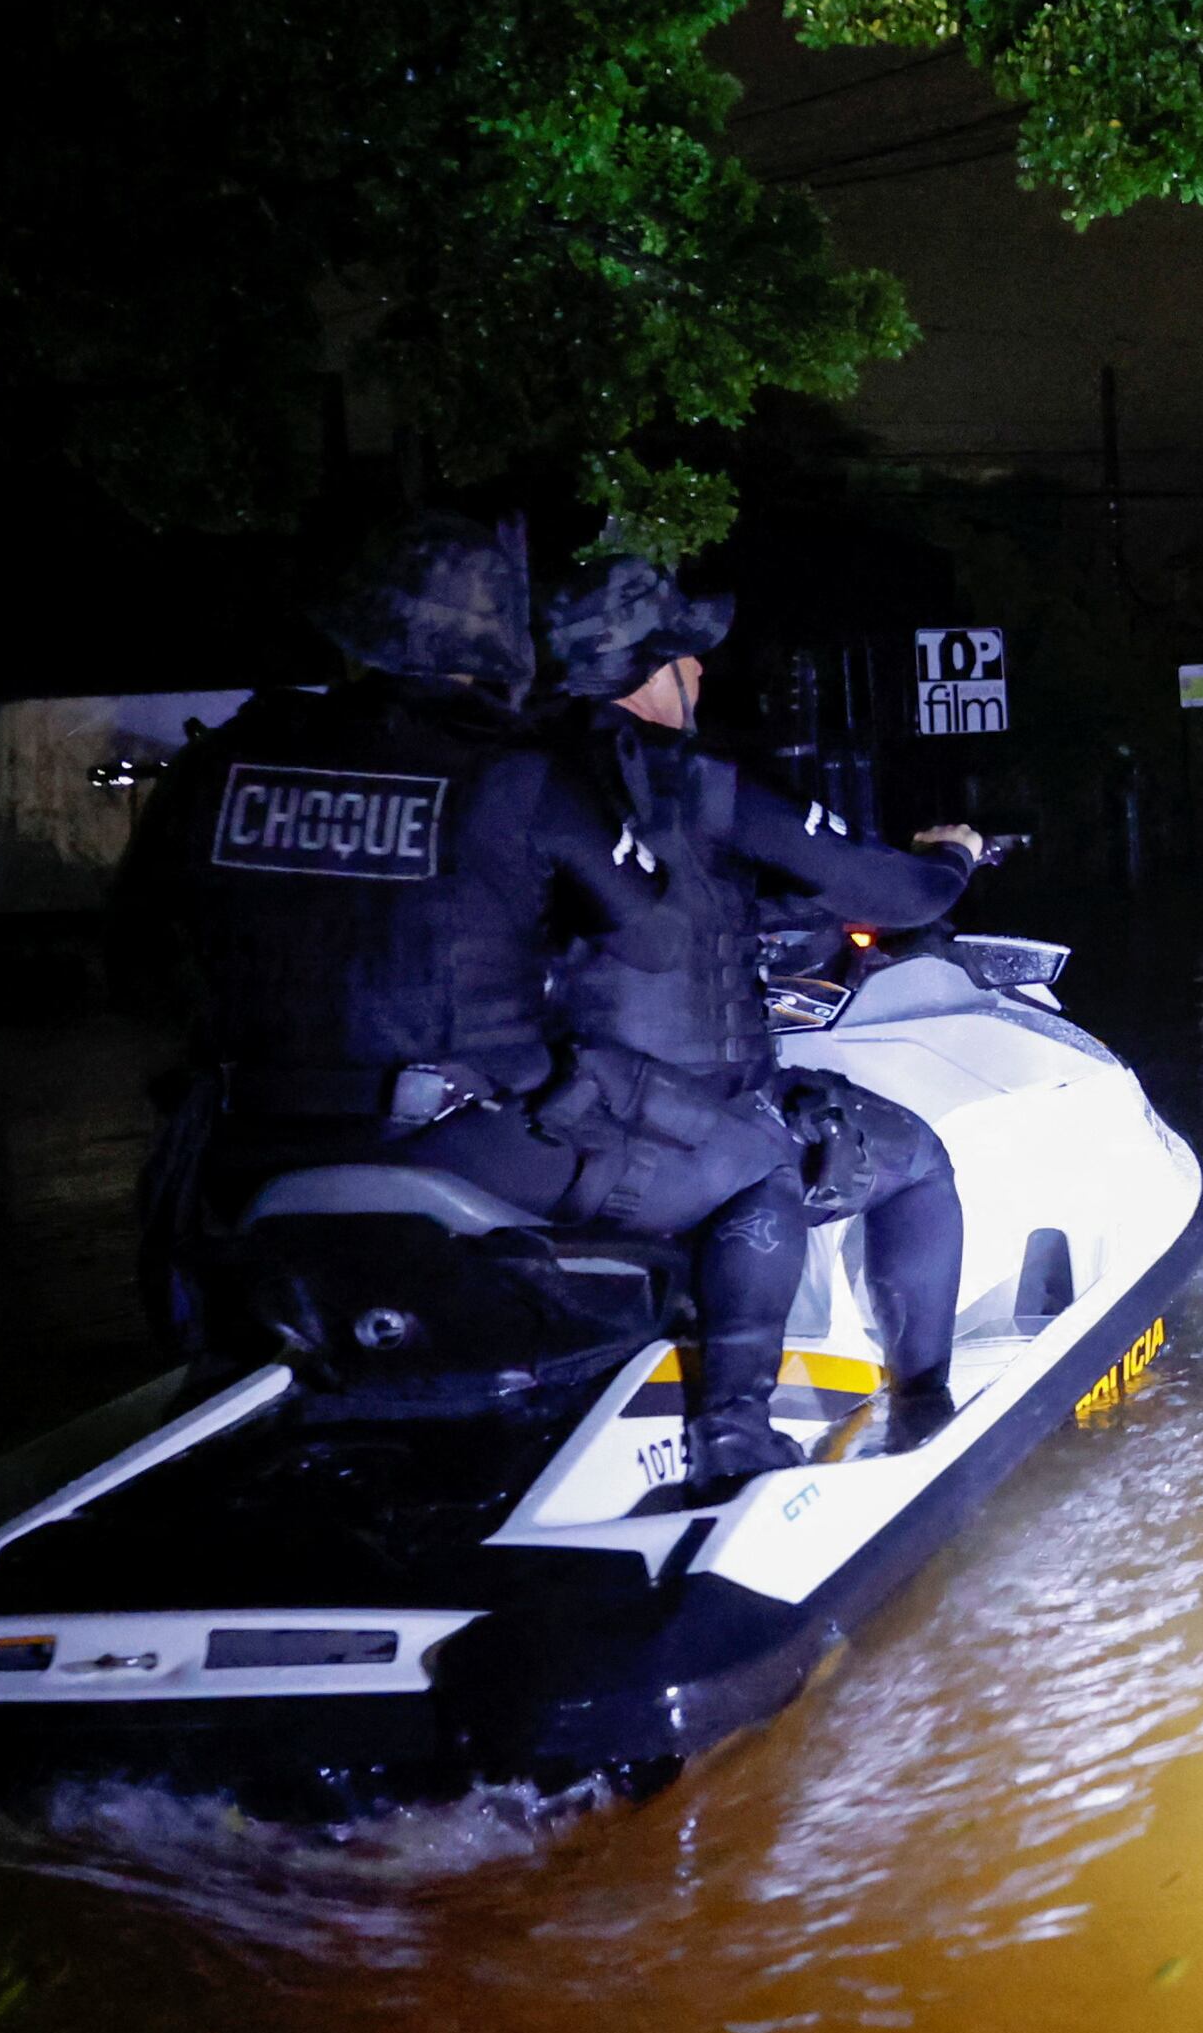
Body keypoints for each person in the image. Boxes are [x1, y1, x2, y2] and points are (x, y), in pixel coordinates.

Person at [122, 514, 800, 1497]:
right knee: (757, 1168)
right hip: (461, 1135)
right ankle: (735, 1436)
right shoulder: (511, 773)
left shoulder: (223, 760)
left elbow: (137, 961)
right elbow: (647, 934)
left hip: (244, 1151)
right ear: (492, 646)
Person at [535, 556, 998, 1460]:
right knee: (914, 1162)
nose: (703, 671)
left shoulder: (514, 779)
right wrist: (953, 859)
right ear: (651, 673)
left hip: (538, 1116)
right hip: (682, 1122)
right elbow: (902, 898)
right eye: (687, 657)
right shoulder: (693, 779)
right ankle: (919, 1416)